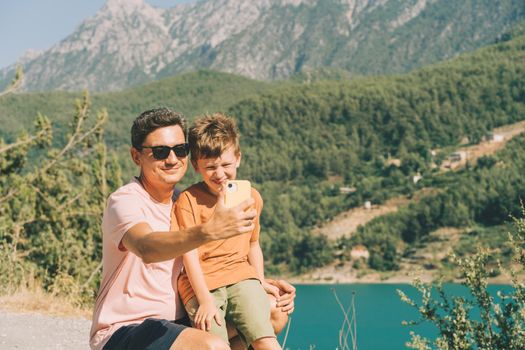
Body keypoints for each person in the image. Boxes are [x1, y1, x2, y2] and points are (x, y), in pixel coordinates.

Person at [89, 107, 295, 350]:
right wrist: (208, 231)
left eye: (180, 149)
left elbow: (218, 258)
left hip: (181, 322)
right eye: (160, 152)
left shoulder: (186, 201)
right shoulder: (126, 201)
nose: (172, 159)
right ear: (136, 156)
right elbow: (146, 247)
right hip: (129, 328)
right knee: (211, 346)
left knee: (273, 311)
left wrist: (257, 282)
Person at [174, 114, 281, 349]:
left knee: (265, 338)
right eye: (210, 167)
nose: (219, 174)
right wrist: (203, 300)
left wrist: (260, 281)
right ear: (196, 166)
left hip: (242, 277)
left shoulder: (252, 197)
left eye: (225, 165)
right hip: (202, 284)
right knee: (215, 343)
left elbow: (253, 244)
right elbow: (188, 254)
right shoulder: (188, 200)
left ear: (238, 158)